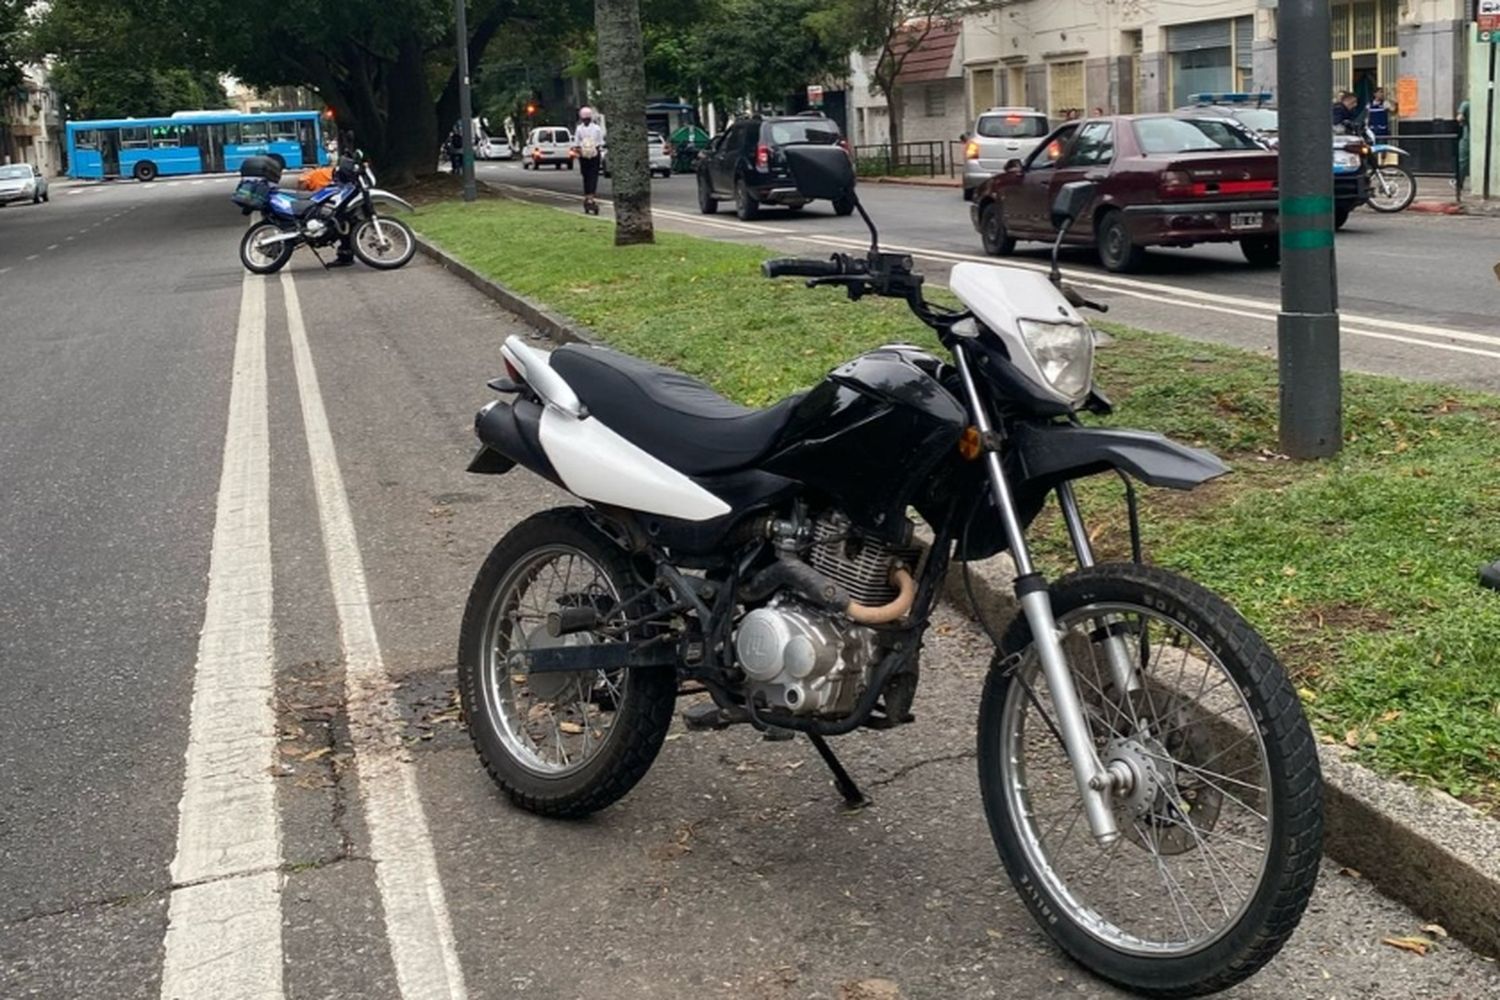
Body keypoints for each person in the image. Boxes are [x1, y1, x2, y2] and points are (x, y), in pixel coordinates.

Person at [573, 106, 606, 215]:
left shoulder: (580, 129)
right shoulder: (596, 128)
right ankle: (590, 197)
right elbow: (600, 143)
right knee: (591, 177)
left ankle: (589, 197)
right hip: (592, 155)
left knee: (588, 177)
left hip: (585, 155)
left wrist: (580, 151)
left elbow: (577, 144)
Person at [1456, 99, 1471, 195]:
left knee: (1462, 161)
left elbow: (1459, 118)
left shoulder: (1466, 104)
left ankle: (1459, 183)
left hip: (1467, 136)